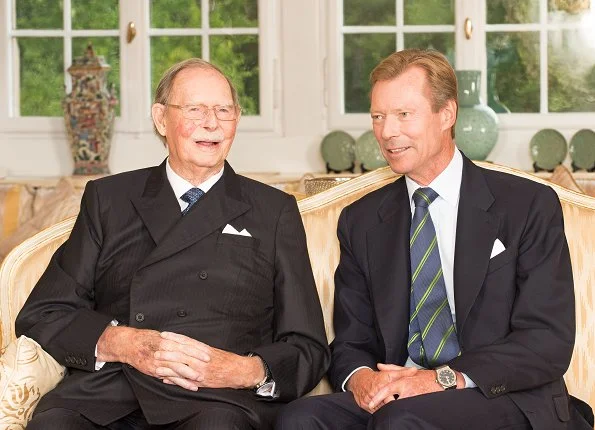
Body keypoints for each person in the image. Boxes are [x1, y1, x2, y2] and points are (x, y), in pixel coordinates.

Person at [276, 49, 593, 429]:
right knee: (299, 420)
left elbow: (546, 340)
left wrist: (437, 380)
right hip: (399, 395)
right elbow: (350, 341)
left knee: (402, 420)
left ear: (447, 114)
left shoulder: (527, 205)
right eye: (378, 117)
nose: (387, 132)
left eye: (404, 115)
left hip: (501, 395)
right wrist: (364, 381)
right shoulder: (361, 221)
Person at [16, 58, 330, 430]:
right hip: (109, 392)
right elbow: (45, 312)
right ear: (161, 119)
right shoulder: (109, 199)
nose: (211, 123)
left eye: (223, 110)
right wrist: (122, 342)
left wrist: (244, 370)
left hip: (215, 399)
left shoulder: (273, 211)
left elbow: (307, 346)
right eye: (195, 109)